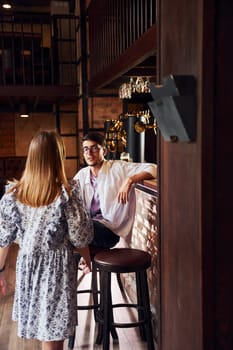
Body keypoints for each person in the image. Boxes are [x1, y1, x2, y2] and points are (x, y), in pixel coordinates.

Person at [0, 130, 94, 350]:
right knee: (53, 336)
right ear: (58, 157)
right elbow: (80, 236)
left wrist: (1, 271)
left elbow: (3, 238)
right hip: (56, 270)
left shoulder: (13, 193)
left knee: (44, 332)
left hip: (27, 267)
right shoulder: (66, 192)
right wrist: (88, 260)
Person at [74, 131, 157, 249]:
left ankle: (86, 261)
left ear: (104, 151)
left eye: (94, 149)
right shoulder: (82, 175)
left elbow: (154, 168)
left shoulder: (118, 168)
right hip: (91, 227)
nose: (89, 153)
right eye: (86, 149)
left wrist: (129, 180)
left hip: (111, 231)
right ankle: (86, 262)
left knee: (80, 228)